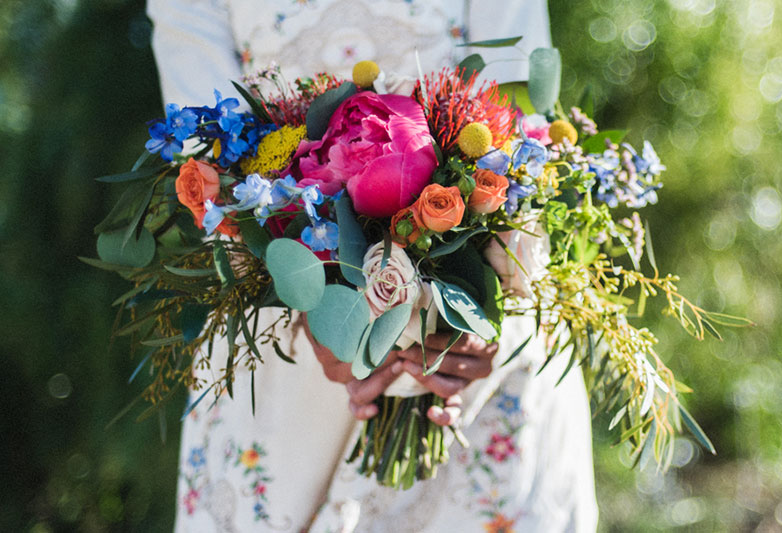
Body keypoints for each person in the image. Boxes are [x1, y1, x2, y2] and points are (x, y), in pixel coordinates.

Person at [147, 1, 598, 531]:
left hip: (472, 350)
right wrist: (321, 319)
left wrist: (481, 315)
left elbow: (519, 122)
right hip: (287, 336)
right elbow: (209, 171)